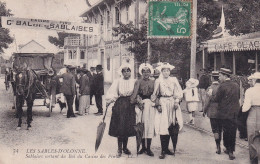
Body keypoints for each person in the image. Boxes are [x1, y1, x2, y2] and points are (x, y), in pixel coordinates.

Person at [151, 62, 183, 159]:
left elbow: (178, 92)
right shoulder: (158, 81)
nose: (166, 73)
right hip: (163, 103)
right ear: (161, 72)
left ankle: (168, 148)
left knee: (171, 126)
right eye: (164, 71)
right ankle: (163, 150)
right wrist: (157, 104)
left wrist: (177, 101)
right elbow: (154, 95)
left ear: (170, 72)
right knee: (163, 127)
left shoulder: (173, 80)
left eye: (167, 71)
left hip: (172, 103)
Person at [106, 63, 136, 157]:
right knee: (120, 126)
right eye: (124, 71)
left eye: (128, 71)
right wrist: (110, 100)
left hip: (130, 105)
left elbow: (136, 93)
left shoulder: (134, 82)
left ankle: (125, 148)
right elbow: (113, 93)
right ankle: (119, 149)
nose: (126, 73)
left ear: (130, 72)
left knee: (127, 126)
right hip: (120, 105)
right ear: (122, 72)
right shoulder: (117, 81)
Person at [212, 68, 240, 160]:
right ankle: (231, 151)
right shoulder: (236, 85)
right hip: (235, 112)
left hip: (224, 113)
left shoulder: (222, 86)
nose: (219, 78)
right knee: (232, 131)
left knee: (225, 131)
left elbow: (216, 99)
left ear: (225, 76)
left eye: (220, 76)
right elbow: (238, 97)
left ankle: (226, 148)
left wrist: (211, 94)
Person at [130, 63, 155, 156]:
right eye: (144, 72)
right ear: (141, 73)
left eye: (148, 71)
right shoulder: (138, 82)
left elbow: (156, 94)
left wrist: (155, 103)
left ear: (150, 72)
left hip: (151, 106)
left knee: (150, 126)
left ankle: (148, 148)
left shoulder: (153, 82)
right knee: (142, 126)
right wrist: (138, 102)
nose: (146, 73)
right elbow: (135, 94)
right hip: (141, 106)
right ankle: (142, 147)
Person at [242, 72, 260, 164]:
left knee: (252, 138)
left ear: (254, 80)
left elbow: (245, 108)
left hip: (253, 113)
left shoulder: (250, 91)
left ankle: (254, 161)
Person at [203, 71, 222, 154]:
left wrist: (204, 110)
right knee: (220, 129)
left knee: (215, 130)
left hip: (213, 112)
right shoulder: (222, 87)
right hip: (221, 111)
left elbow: (207, 101)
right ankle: (221, 144)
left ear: (212, 78)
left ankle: (218, 146)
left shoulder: (210, 88)